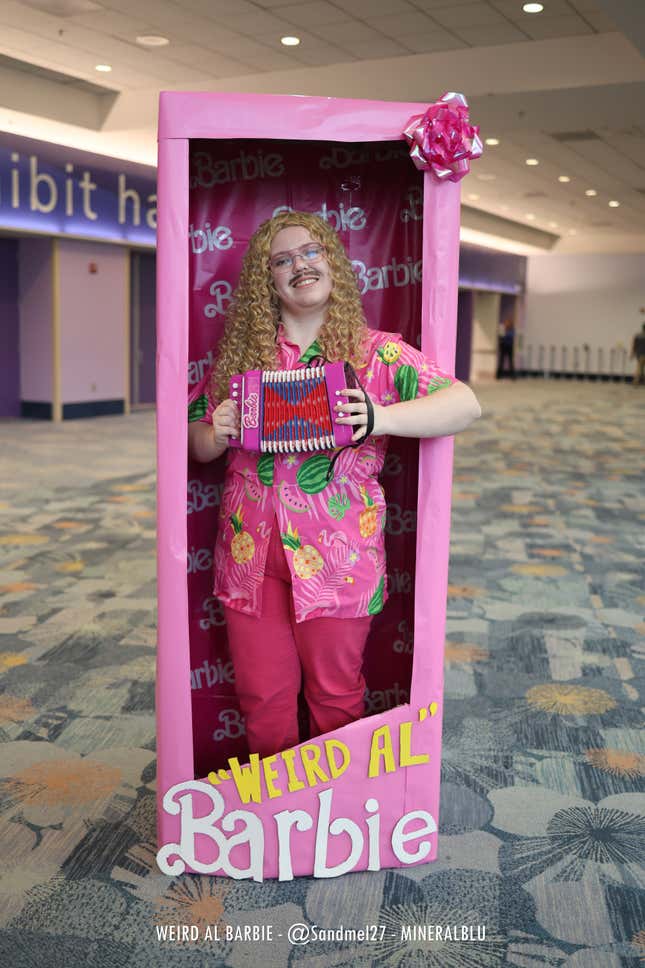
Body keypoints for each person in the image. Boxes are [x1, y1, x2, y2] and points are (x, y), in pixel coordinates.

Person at [188, 211, 481, 758]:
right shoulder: (242, 358)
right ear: (267, 279)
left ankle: (334, 830)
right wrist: (216, 431)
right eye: (282, 259)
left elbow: (465, 403)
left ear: (332, 264)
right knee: (262, 700)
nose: (299, 264)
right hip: (250, 559)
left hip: (339, 559)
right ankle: (271, 826)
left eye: (311, 252)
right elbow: (193, 440)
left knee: (336, 699)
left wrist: (380, 417)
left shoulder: (376, 353)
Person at [630, 317, 645, 386]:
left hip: (639, 355)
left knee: (639, 368)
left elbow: (634, 345)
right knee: (640, 369)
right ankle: (638, 381)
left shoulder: (637, 335)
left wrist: (632, 354)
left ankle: (637, 381)